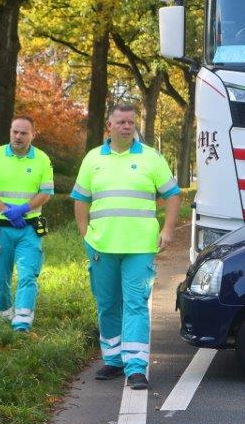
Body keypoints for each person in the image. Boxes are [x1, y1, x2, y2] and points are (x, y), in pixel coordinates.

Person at [71, 103, 180, 390]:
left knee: (135, 305)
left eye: (131, 122)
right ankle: (114, 359)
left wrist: (168, 229)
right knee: (107, 305)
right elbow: (80, 200)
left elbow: (172, 196)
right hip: (101, 246)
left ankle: (136, 367)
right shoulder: (93, 159)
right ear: (109, 125)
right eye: (121, 122)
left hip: (139, 246)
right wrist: (85, 234)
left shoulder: (151, 158)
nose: (127, 126)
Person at [0, 116, 55, 332]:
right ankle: (3, 313)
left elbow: (45, 193)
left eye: (24, 133)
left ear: (32, 135)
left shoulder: (42, 159)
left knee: (28, 274)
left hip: (28, 229)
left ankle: (23, 320)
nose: (18, 136)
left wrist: (23, 209)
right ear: (10, 132)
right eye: (15, 132)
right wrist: (6, 210)